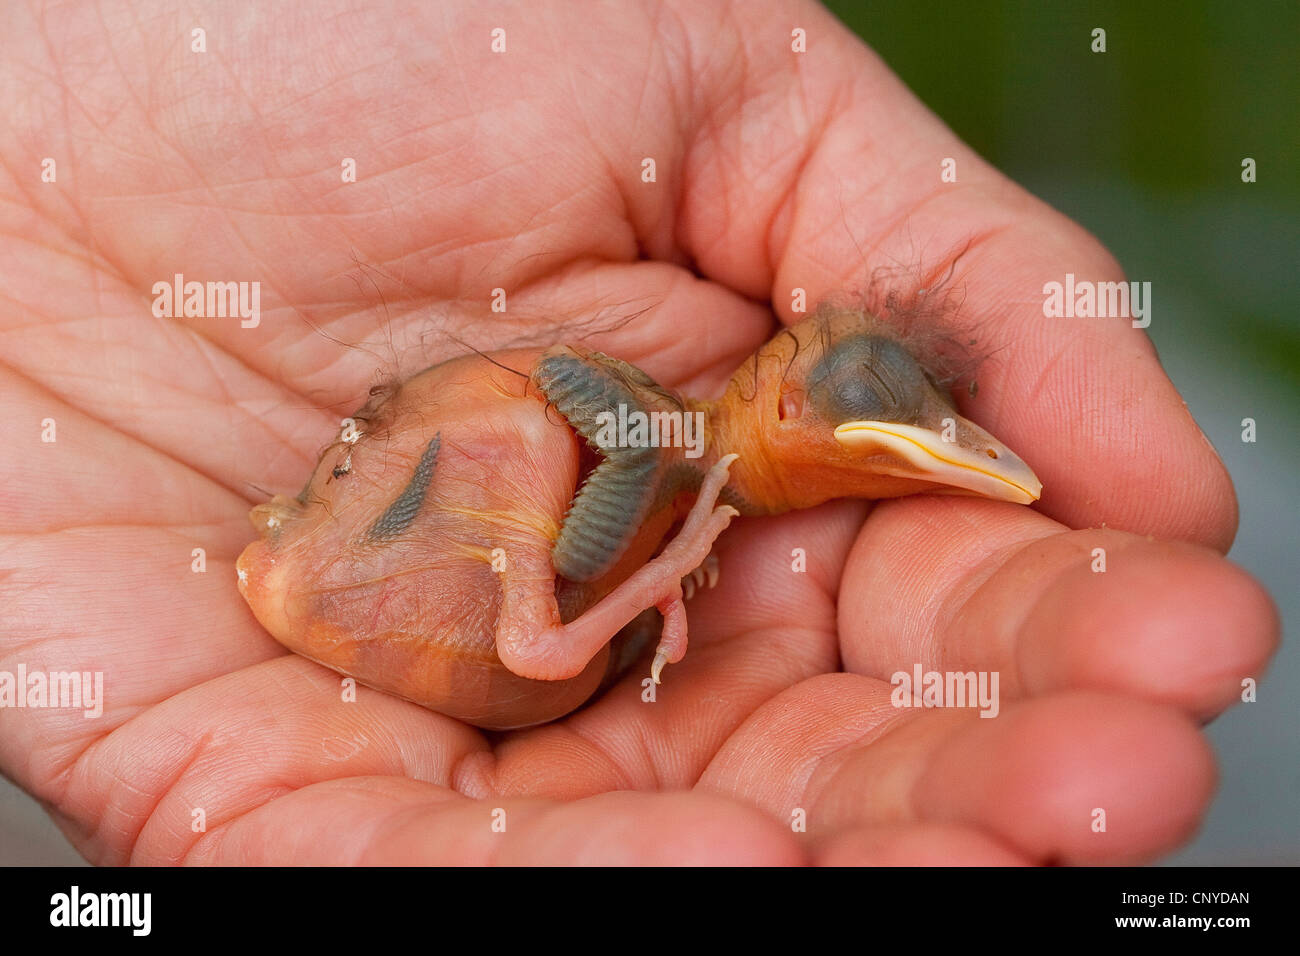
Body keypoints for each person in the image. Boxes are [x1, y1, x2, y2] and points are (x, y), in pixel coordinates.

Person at [0, 0, 1277, 865]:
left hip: (376, 557)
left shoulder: (669, 454)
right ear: (782, 400)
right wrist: (658, 570)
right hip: (403, 566)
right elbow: (580, 453)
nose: (931, 447)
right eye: (872, 419)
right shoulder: (660, 441)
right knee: (563, 586)